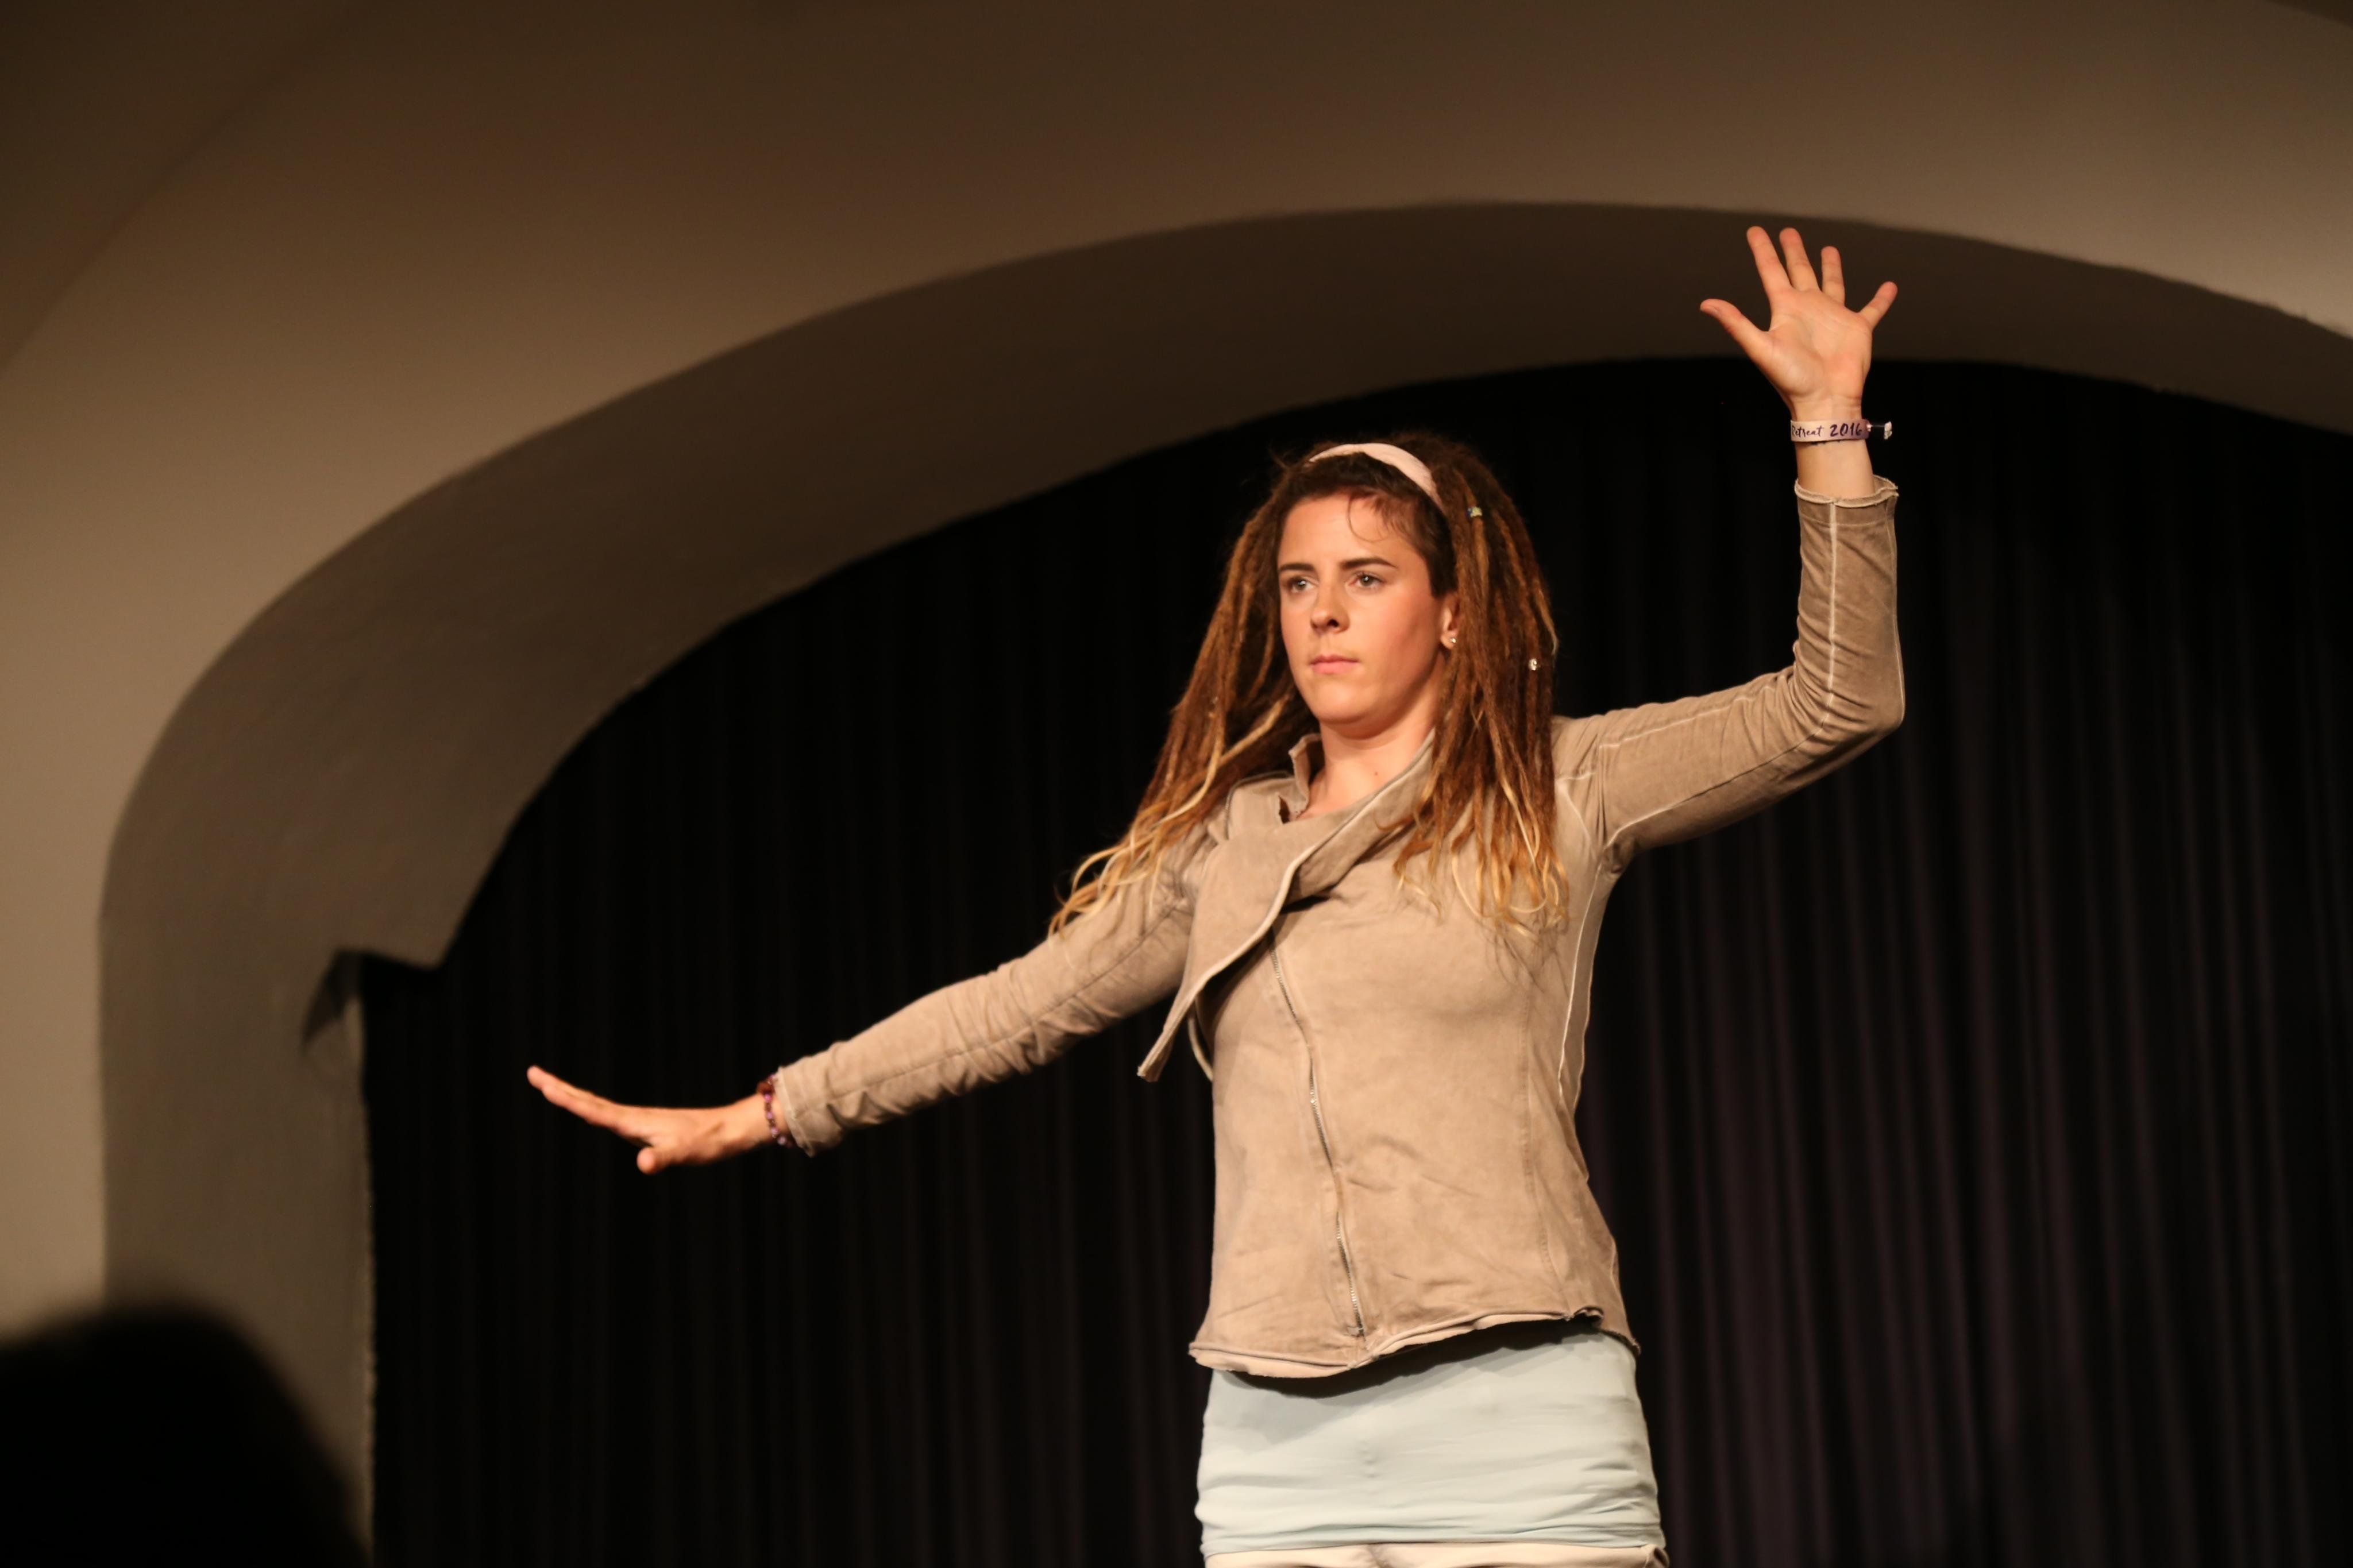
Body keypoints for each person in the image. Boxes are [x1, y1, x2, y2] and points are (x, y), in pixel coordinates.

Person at [529, 223, 1903, 1566]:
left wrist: (1827, 424)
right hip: (1271, 1436)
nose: (1322, 612)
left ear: (1452, 612)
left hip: (1512, 1400)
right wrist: (773, 1108)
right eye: (1298, 583)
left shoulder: (1556, 784)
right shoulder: (1222, 849)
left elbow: (1835, 703)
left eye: (1365, 578)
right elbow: (1018, 1006)